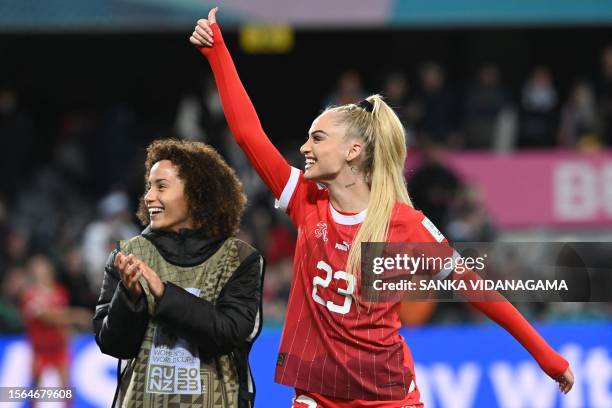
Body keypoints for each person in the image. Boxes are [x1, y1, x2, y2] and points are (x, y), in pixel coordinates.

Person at [190, 8, 574, 406]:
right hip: (319, 396)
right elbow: (247, 133)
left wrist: (546, 356)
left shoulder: (406, 226)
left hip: (390, 397)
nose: (304, 148)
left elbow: (477, 289)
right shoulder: (305, 200)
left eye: (317, 138)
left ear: (353, 151)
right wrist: (218, 51)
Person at [93, 139, 265, 408]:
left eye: (161, 186)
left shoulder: (240, 259)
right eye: (149, 186)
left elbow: (228, 334)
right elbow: (114, 344)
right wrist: (129, 298)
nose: (149, 197)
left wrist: (163, 294)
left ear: (197, 193)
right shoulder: (127, 254)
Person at [20, 254, 91, 393]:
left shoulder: (60, 291)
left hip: (59, 347)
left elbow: (62, 319)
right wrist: (78, 315)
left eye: (42, 268)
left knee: (66, 388)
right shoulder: (29, 295)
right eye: (35, 269)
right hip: (40, 348)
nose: (39, 272)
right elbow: (49, 318)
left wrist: (68, 334)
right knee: (36, 388)